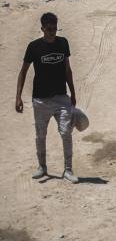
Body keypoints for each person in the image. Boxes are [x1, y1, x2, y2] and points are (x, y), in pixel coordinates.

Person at [16, 12, 79, 183]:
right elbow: (23, 72)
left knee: (66, 132)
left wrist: (72, 92)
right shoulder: (34, 47)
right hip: (41, 100)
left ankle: (68, 169)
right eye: (49, 29)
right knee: (40, 135)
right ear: (42, 28)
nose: (52, 32)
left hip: (61, 98)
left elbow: (67, 69)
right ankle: (42, 167)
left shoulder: (63, 43)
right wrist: (18, 97)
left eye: (55, 28)